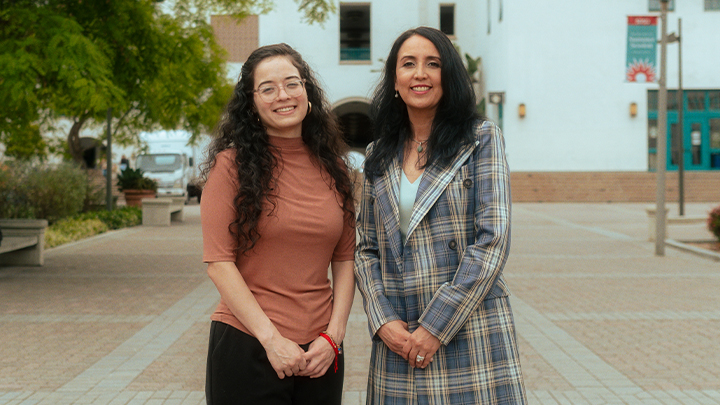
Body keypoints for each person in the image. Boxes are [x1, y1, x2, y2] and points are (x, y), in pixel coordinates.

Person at [354, 27, 527, 404]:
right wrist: (382, 320)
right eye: (408, 64)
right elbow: (365, 248)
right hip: (397, 340)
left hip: (468, 332)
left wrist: (435, 327)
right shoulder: (377, 155)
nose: (420, 74)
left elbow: (492, 241)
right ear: (394, 80)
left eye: (433, 64)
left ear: (448, 76)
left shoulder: (480, 139)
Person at [200, 43, 356, 405]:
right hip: (249, 344)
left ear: (307, 92)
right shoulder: (230, 166)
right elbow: (219, 264)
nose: (282, 95)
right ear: (252, 104)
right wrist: (271, 340)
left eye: (291, 83)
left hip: (322, 353)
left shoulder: (336, 170)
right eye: (267, 88)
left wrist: (334, 336)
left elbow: (345, 259)